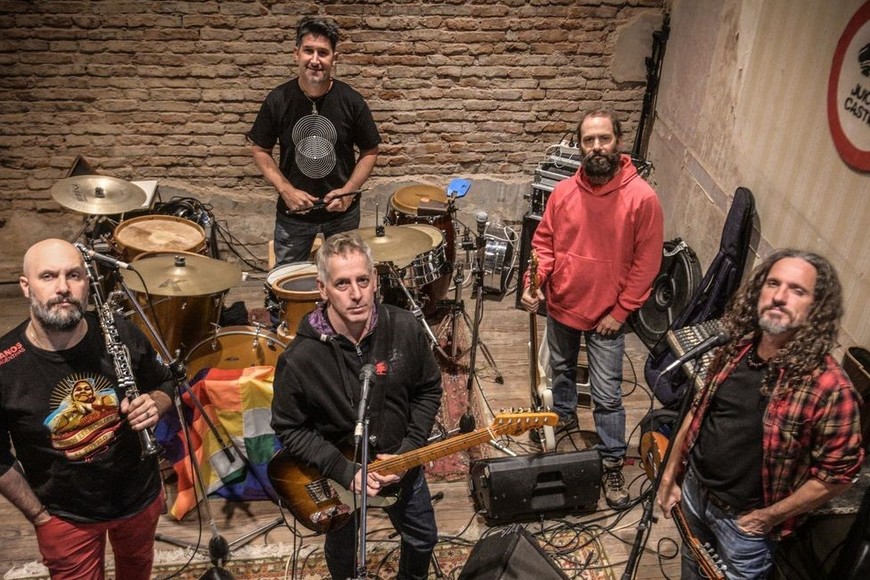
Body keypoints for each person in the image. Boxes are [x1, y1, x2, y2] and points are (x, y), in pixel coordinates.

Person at [656, 249, 864, 579]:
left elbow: (836, 477)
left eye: (797, 290)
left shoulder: (830, 388)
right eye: (773, 283)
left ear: (816, 307)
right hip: (695, 492)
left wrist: (769, 517)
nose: (780, 297)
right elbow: (698, 411)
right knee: (691, 568)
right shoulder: (736, 347)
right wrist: (670, 475)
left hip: (744, 526)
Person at [270, 231, 442, 579]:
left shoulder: (405, 327)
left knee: (423, 538)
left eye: (363, 280)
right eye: (342, 283)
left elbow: (428, 389)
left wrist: (408, 452)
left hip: (400, 463)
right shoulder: (299, 359)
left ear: (375, 280)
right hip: (337, 477)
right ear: (322, 289)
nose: (356, 293)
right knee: (344, 551)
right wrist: (344, 471)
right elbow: (290, 428)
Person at [0, 239, 175, 580]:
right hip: (64, 517)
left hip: (139, 498)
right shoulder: (6, 365)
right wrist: (39, 516)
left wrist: (156, 403)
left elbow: (167, 383)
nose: (63, 287)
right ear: (25, 286)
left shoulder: (120, 332)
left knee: (137, 567)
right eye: (48, 276)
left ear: (87, 282)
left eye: (74, 275)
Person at [521, 108, 664, 509]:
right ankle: (564, 419)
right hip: (563, 305)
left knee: (607, 395)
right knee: (561, 372)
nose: (597, 147)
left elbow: (647, 263)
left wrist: (620, 312)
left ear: (618, 142)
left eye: (604, 138)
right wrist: (534, 283)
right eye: (589, 140)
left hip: (608, 318)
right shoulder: (563, 193)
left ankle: (613, 460)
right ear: (579, 146)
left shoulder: (643, 199)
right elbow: (544, 245)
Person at [248, 15, 381, 266]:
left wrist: (349, 191)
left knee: (344, 275)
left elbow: (370, 150)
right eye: (309, 51)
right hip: (294, 214)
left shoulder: (351, 100)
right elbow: (260, 149)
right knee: (287, 280)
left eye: (323, 53)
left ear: (334, 58)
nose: (315, 60)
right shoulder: (278, 99)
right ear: (296, 54)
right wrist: (286, 190)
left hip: (342, 213)